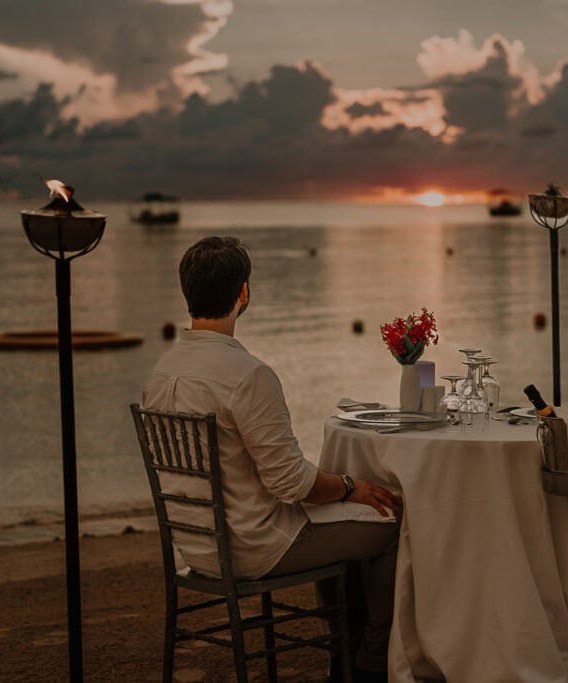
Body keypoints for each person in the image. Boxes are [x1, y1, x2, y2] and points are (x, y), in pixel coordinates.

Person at [143, 236, 399, 681]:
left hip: (198, 547)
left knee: (339, 513)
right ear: (243, 293)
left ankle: (345, 649)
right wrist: (349, 485)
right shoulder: (248, 375)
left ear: (187, 293)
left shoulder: (161, 373)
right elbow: (292, 485)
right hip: (255, 548)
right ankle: (372, 659)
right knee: (392, 522)